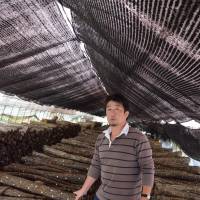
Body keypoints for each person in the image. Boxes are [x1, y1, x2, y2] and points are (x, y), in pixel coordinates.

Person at [74, 94, 154, 200]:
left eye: (117, 109)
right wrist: (83, 190)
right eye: (109, 109)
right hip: (101, 197)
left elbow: (147, 169)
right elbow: (95, 166)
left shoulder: (139, 138)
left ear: (126, 114)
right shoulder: (101, 138)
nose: (112, 113)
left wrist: (145, 197)